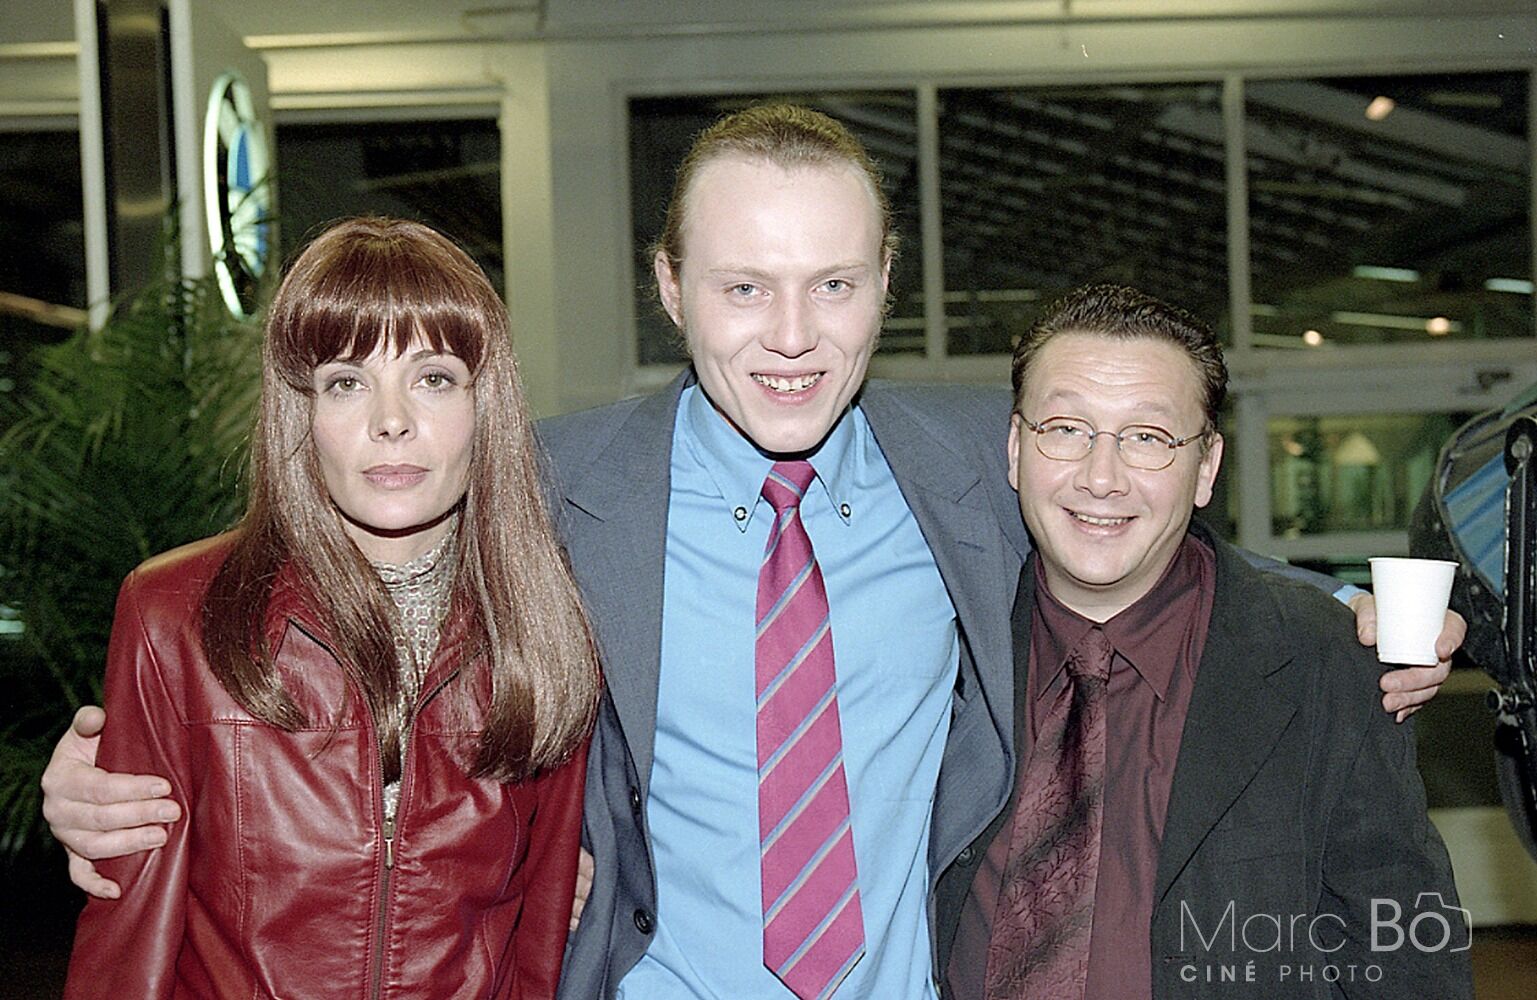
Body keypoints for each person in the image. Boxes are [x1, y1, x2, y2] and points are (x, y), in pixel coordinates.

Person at [43, 108, 1462, 1000]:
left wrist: (1350, 617)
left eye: (833, 284)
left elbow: (1136, 512)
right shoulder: (553, 485)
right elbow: (344, 601)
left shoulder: (973, 461)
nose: (791, 336)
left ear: (887, 283)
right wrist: (105, 766)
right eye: (743, 286)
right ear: (669, 287)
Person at [60, 217, 602, 999]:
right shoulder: (174, 614)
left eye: (433, 378)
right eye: (347, 381)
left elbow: (539, 947)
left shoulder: (545, 623)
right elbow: (127, 932)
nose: (391, 420)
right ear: (301, 410)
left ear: (485, 404)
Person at [934, 284, 1472, 999]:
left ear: (1206, 469)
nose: (1100, 477)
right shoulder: (937, 646)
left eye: (1147, 439)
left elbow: (1404, 956)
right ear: (1014, 449)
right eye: (1065, 428)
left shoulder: (1324, 663)